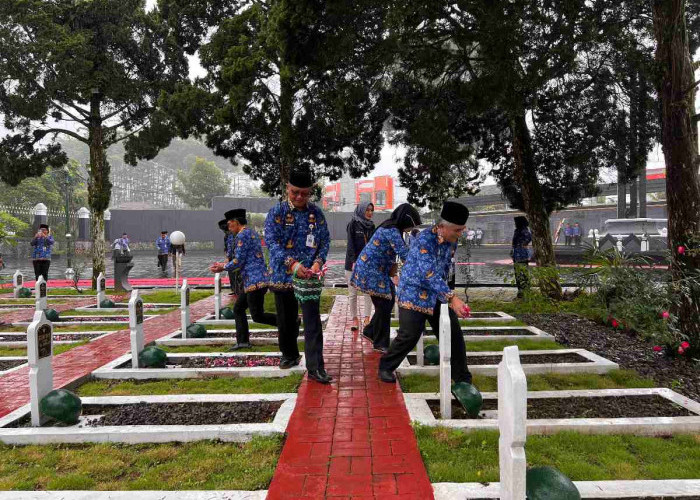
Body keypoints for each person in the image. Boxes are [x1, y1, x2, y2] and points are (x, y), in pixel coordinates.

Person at [378, 201, 473, 384]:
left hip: (437, 293)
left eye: (462, 230)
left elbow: (444, 270)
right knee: (410, 334)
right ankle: (386, 366)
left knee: (453, 333)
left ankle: (462, 378)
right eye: (458, 230)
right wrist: (452, 297)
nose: (460, 234)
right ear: (443, 227)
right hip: (413, 291)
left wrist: (450, 296)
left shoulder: (451, 241)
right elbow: (428, 273)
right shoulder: (424, 240)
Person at [264, 169, 331, 383]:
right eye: (295, 192)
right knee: (286, 320)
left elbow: (325, 241)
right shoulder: (277, 213)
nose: (299, 197)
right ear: (287, 189)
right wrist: (292, 264)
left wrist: (318, 262)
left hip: (309, 276)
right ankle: (290, 355)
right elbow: (272, 243)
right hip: (284, 275)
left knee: (312, 322)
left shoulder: (317, 214)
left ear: (310, 192)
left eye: (304, 193)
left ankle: (316, 367)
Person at [351, 203, 420, 353]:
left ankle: (370, 331)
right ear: (405, 221)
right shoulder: (391, 231)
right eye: (410, 226)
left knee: (389, 300)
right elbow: (404, 254)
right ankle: (380, 343)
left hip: (378, 270)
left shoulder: (393, 228)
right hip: (370, 270)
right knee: (384, 304)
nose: (410, 230)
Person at [210, 209, 277, 350]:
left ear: (236, 222)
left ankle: (290, 323)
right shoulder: (251, 232)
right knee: (239, 309)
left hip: (255, 281)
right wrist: (224, 265)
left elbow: (238, 260)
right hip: (255, 279)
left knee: (257, 315)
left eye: (229, 224)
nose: (228, 227)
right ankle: (242, 341)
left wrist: (222, 267)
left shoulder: (242, 235)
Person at [344, 201, 375, 332]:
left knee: (368, 292)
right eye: (367, 210)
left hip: (367, 265)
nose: (369, 213)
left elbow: (374, 246)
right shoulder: (353, 224)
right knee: (353, 294)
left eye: (371, 210)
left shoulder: (372, 226)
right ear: (361, 210)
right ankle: (354, 318)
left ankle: (367, 318)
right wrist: (354, 261)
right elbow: (350, 245)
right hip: (352, 264)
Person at [221, 219, 244, 297]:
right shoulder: (227, 235)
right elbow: (226, 246)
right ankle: (234, 289)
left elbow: (230, 246)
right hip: (232, 256)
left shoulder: (233, 235)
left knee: (235, 274)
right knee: (232, 275)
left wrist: (228, 257)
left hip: (234, 257)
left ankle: (237, 290)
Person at [512, 216, 532, 298]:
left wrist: (523, 244)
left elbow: (529, 237)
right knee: (518, 272)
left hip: (522, 253)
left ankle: (525, 290)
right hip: (516, 253)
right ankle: (521, 290)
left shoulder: (524, 230)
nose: (515, 224)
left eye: (516, 222)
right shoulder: (518, 230)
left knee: (523, 272)